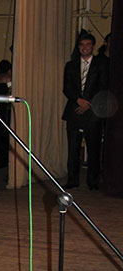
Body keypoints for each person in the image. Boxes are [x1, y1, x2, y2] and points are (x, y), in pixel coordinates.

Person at [62, 32, 109, 190]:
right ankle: (72, 179)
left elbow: (103, 86)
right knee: (73, 148)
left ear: (93, 46)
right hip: (74, 110)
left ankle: (93, 181)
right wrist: (78, 100)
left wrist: (87, 103)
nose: (85, 48)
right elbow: (67, 88)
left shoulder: (101, 64)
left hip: (93, 112)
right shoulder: (70, 65)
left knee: (93, 148)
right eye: (82, 45)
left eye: (88, 44)